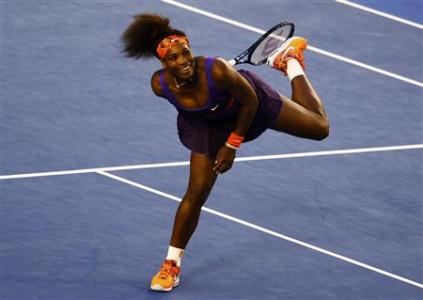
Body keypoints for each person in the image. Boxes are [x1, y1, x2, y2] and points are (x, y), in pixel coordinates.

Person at [121, 13, 329, 292]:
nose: (182, 61)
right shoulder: (160, 86)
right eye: (173, 59)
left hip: (247, 106)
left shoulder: (218, 71)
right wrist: (211, 130)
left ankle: (289, 61)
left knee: (319, 128)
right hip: (207, 124)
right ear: (162, 63)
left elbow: (250, 102)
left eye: (185, 53)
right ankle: (171, 265)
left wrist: (232, 144)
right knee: (196, 192)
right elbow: (188, 109)